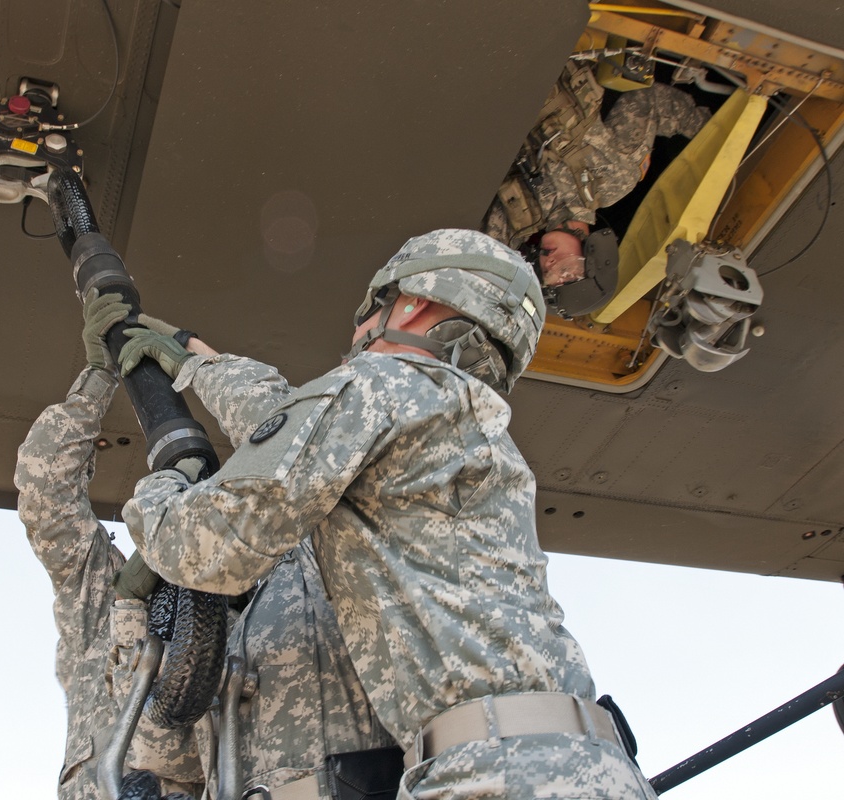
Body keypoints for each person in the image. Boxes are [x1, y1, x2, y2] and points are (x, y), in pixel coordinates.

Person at [117, 228, 659, 799]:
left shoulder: (385, 383)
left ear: (412, 302)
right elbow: (293, 427)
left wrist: (165, 484)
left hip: (487, 772)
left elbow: (203, 550)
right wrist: (198, 362)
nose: (354, 335)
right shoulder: (458, 418)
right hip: (585, 767)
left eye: (368, 311)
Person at [16, 291, 394, 800]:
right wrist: (99, 379)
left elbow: (302, 461)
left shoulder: (247, 603)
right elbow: (45, 495)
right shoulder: (95, 596)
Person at [484, 60, 712, 260]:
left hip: (499, 81)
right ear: (592, 255)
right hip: (554, 60)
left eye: (549, 276)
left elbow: (484, 244)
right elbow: (647, 100)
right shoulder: (614, 181)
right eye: (568, 270)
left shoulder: (531, 215)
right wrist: (711, 130)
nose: (552, 265)